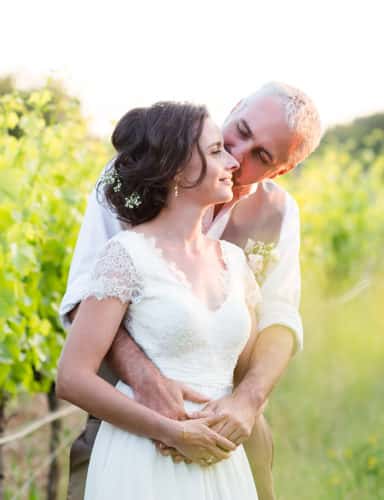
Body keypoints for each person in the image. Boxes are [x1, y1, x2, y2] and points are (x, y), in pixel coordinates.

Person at [60, 82, 322, 500]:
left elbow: (280, 316)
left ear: (282, 170)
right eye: (241, 130)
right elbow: (85, 293)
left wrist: (248, 401)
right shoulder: (132, 178)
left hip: (226, 422)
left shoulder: (278, 215)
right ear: (234, 107)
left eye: (262, 156)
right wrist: (146, 381)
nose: (238, 154)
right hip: (125, 414)